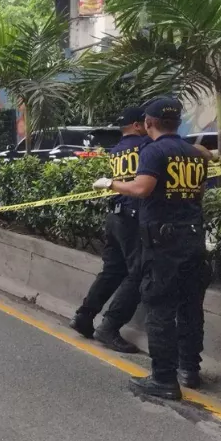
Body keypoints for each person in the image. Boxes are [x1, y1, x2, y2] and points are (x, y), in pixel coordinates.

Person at [94, 97, 209, 399]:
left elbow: (141, 188)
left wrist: (111, 184)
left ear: (148, 123)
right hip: (194, 238)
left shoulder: (153, 151)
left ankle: (164, 379)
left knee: (159, 308)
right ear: (178, 122)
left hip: (163, 242)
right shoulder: (194, 154)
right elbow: (198, 185)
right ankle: (190, 370)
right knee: (191, 308)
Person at [70, 108, 148, 353]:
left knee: (112, 271)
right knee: (139, 273)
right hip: (134, 218)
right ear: (137, 125)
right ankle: (110, 326)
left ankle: (84, 315)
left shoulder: (118, 149)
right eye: (147, 122)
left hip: (115, 216)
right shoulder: (146, 146)